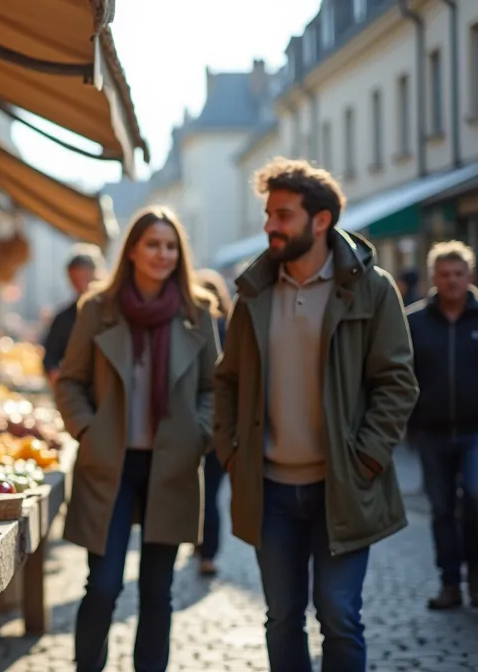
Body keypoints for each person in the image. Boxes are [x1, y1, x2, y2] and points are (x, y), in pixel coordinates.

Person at [214, 158, 418, 672]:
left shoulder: (372, 289)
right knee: (282, 616)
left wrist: (366, 459)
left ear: (320, 220)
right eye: (268, 214)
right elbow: (227, 380)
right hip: (271, 490)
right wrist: (233, 454)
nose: (269, 226)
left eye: (283, 214)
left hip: (343, 486)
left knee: (340, 614)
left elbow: (397, 382)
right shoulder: (254, 293)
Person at [54, 207, 219, 672]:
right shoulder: (98, 309)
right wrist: (88, 429)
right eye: (152, 244)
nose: (162, 254)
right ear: (131, 250)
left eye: (170, 246)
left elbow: (214, 387)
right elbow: (70, 381)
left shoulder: (197, 310)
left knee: (157, 592)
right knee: (103, 586)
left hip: (173, 464)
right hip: (112, 464)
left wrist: (199, 433)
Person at [406, 241, 478, 610]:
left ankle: (476, 580)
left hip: (475, 433)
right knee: (442, 509)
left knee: (477, 499)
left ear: (470, 276)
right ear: (434, 277)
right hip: (431, 432)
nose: (452, 281)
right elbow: (399, 376)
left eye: (459, 274)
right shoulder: (413, 321)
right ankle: (450, 583)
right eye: (445, 274)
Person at [194, 268, 233, 577]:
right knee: (211, 492)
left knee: (199, 489)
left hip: (199, 418)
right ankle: (207, 552)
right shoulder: (232, 328)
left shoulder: (195, 326)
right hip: (222, 423)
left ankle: (200, 546)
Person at [43, 244, 104, 388]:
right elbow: (50, 358)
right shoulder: (63, 318)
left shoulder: (113, 312)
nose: (82, 285)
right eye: (76, 280)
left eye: (86, 278)